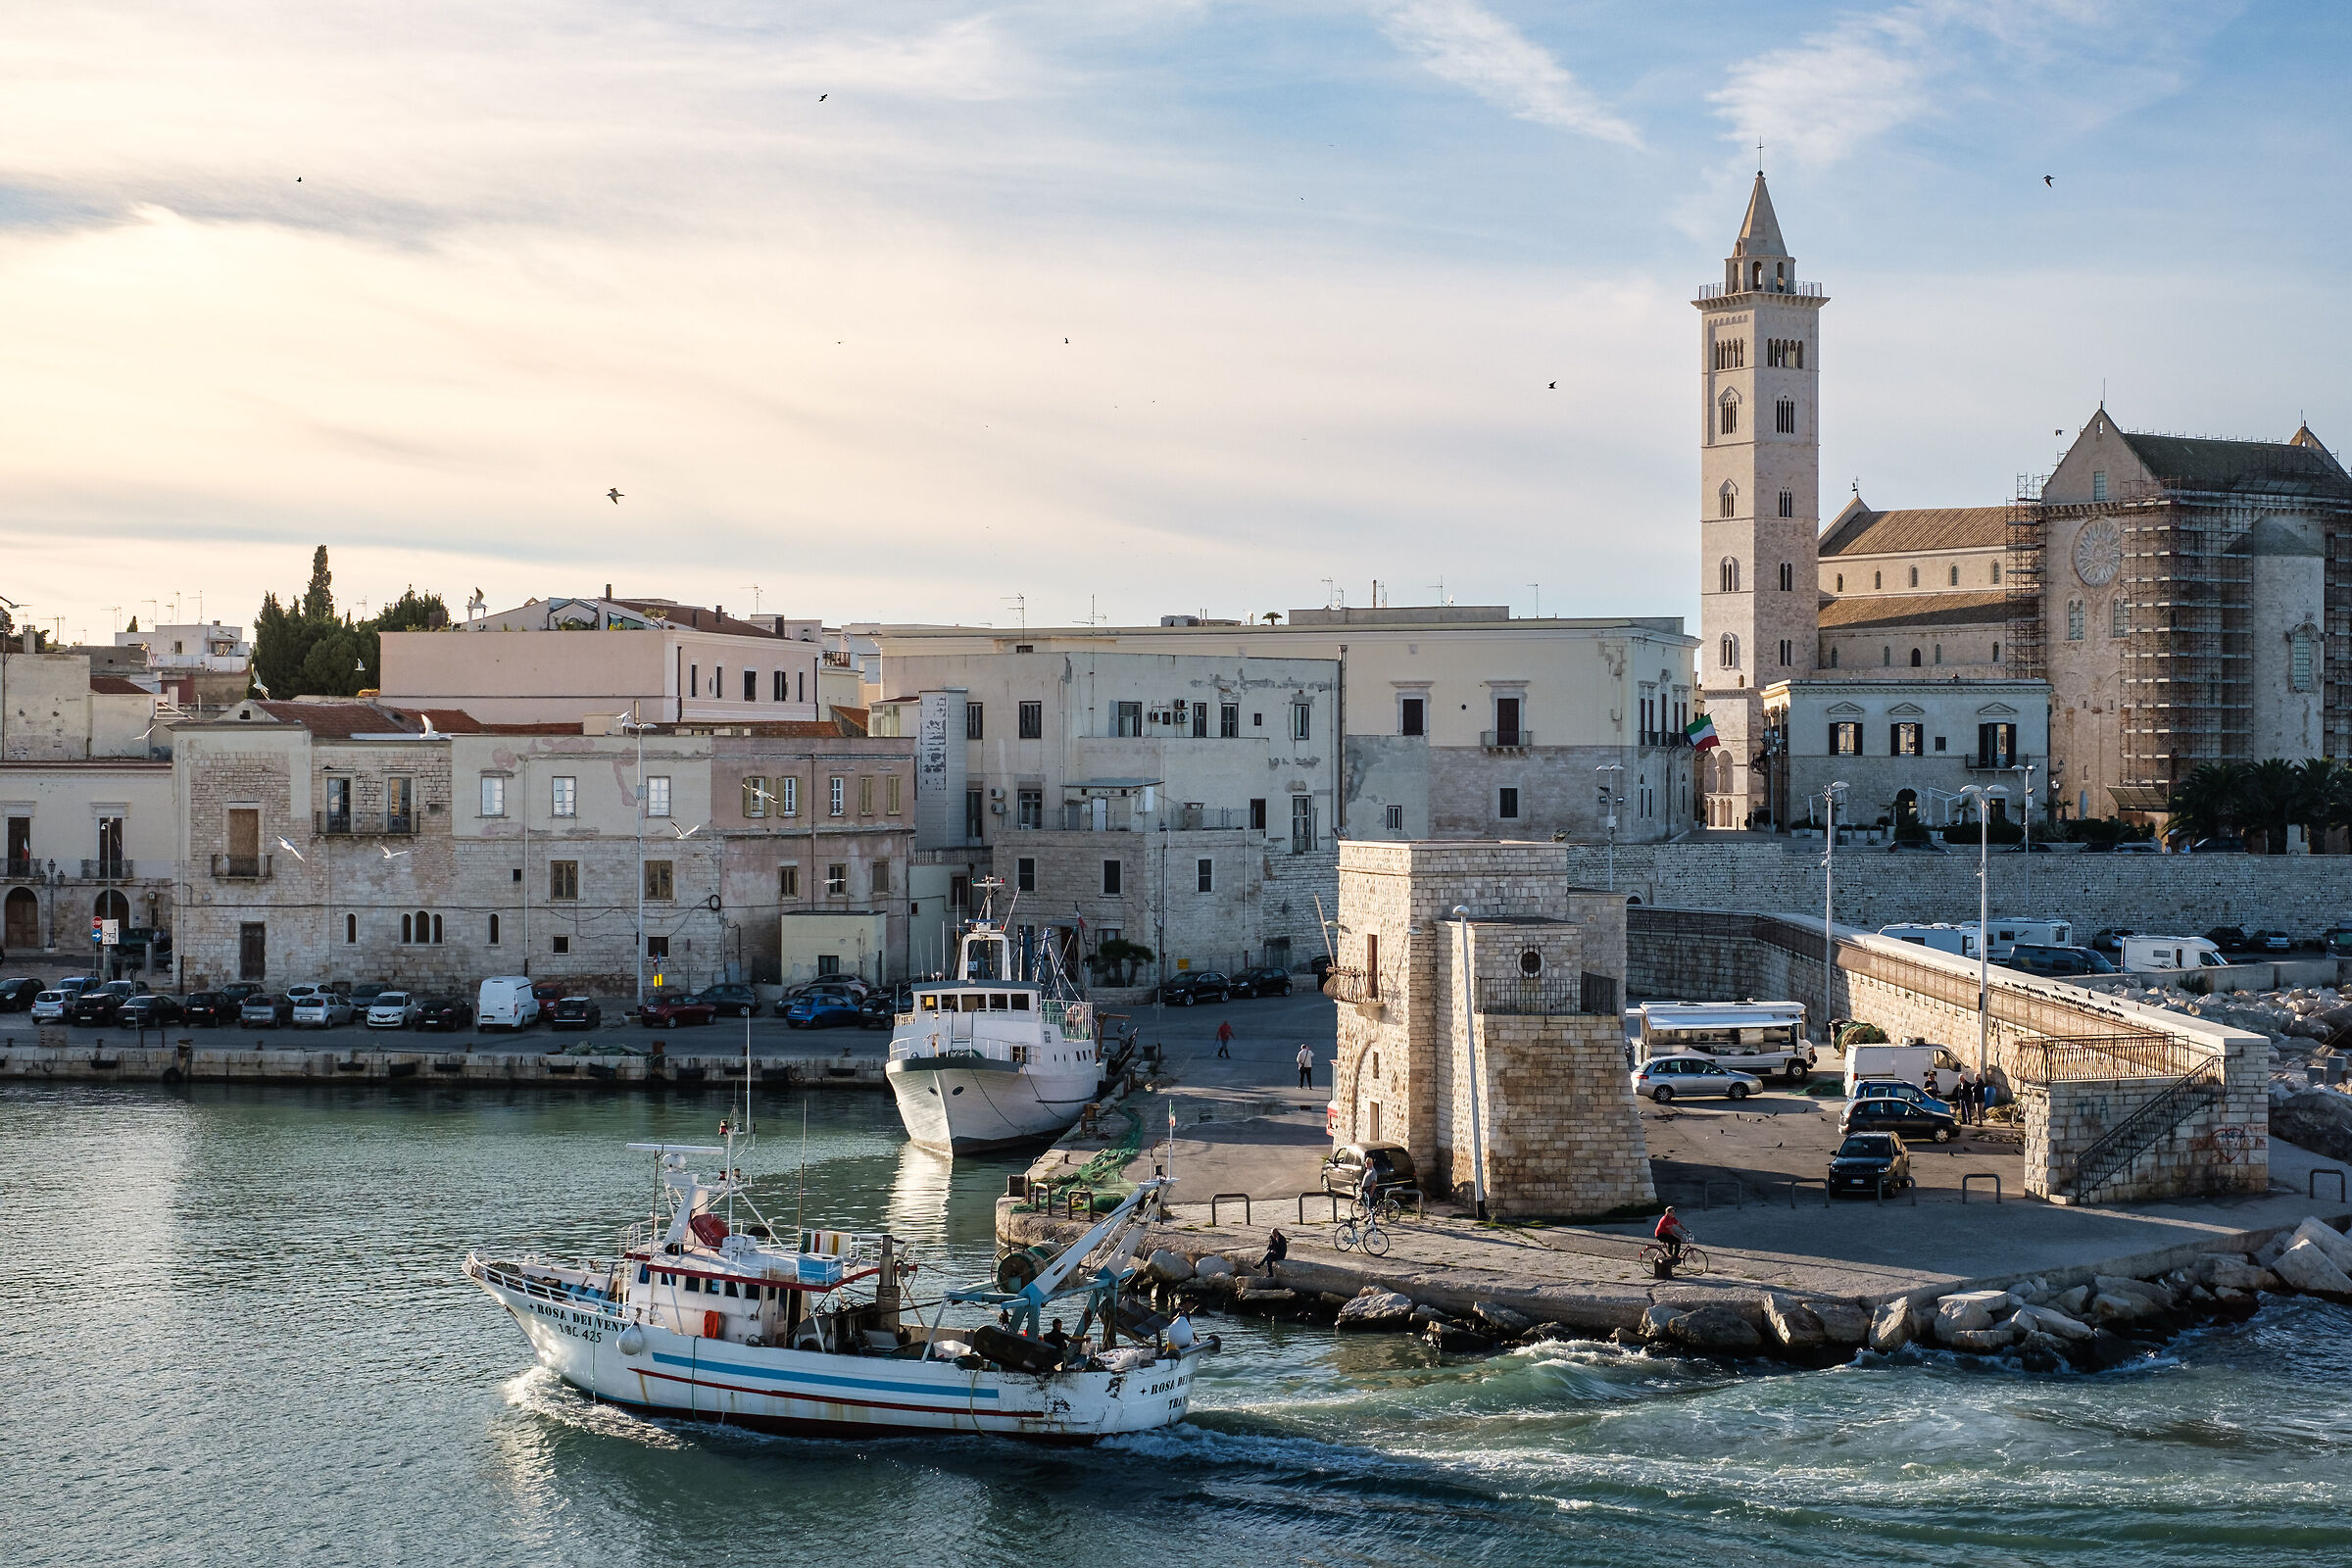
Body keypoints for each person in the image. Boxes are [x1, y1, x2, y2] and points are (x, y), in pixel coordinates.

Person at [1653, 1204, 1693, 1272]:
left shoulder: (1672, 1218)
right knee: (1672, 1241)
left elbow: (1678, 1224)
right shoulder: (1665, 1219)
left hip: (1666, 1233)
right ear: (1668, 1213)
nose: (1673, 1213)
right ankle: (1671, 1256)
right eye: (1672, 1212)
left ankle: (1675, 1256)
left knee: (1677, 1241)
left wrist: (1685, 1230)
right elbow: (1671, 1230)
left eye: (1674, 1212)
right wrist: (1679, 1236)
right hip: (1660, 1234)